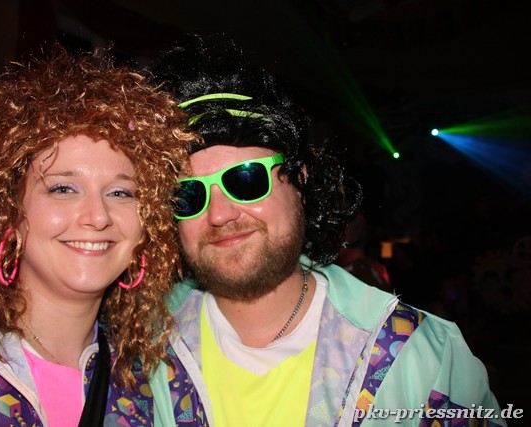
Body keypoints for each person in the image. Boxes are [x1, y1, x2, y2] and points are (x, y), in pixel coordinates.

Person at [147, 35, 506, 426]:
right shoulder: (140, 350)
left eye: (246, 179)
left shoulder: (421, 359)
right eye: (188, 194)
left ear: (299, 182)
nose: (219, 214)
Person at [0, 44, 199, 427]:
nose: (97, 217)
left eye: (121, 193)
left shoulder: (160, 381)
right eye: (63, 188)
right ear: (8, 209)